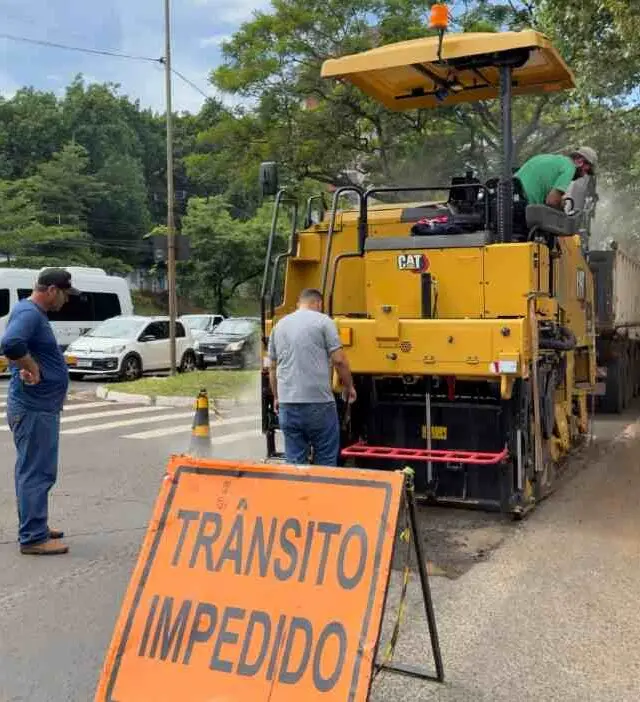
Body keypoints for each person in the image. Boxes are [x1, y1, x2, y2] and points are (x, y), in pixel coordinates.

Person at [1, 268, 79, 555]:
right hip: (33, 408)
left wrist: (29, 365)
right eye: (65, 295)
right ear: (52, 290)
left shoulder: (31, 312)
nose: (66, 301)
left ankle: (36, 526)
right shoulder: (30, 313)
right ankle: (33, 537)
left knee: (33, 470)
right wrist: (31, 367)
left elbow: (19, 348)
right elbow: (10, 344)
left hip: (37, 406)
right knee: (37, 472)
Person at [268, 288, 356, 466]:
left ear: (299, 303)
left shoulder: (279, 326)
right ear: (318, 303)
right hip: (319, 403)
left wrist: (276, 397)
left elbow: (272, 367)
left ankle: (297, 484)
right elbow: (339, 360)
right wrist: (349, 387)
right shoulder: (323, 321)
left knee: (295, 462)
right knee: (325, 459)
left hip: (288, 404)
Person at [515, 146, 598, 210]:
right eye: (587, 171)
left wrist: (559, 199)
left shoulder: (551, 159)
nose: (583, 175)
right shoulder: (569, 167)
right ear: (580, 161)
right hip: (522, 205)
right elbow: (552, 201)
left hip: (512, 197)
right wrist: (561, 204)